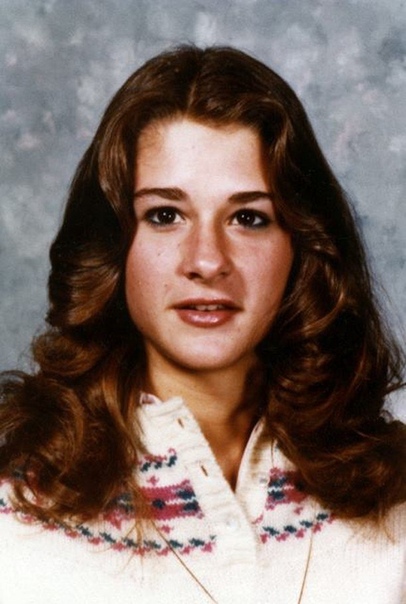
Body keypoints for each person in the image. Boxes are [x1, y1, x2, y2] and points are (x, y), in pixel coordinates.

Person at [0, 45, 405, 604]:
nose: (208, 260)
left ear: (302, 246)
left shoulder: (394, 498)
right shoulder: (17, 520)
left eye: (248, 218)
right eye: (165, 215)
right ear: (113, 247)